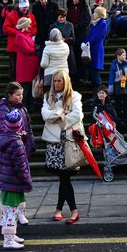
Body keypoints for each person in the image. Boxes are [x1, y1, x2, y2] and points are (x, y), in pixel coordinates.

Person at [41, 70, 83, 223]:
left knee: (64, 177)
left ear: (66, 82)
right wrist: (61, 112)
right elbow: (45, 115)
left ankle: (72, 211)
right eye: (55, 81)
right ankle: (62, 210)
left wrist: (58, 119)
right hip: (53, 142)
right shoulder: (48, 96)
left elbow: (77, 115)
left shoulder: (75, 96)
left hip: (68, 141)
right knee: (62, 177)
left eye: (60, 81)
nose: (57, 83)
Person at [0, 108, 34, 250]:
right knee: (12, 211)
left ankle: (12, 235)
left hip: (6, 179)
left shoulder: (5, 139)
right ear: (19, 126)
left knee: (9, 209)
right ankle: (8, 240)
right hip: (14, 181)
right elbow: (21, 166)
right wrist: (27, 180)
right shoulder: (16, 144)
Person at [3, 0, 37, 80]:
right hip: (13, 47)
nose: (25, 9)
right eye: (23, 7)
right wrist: (19, 33)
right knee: (14, 69)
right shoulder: (11, 15)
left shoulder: (31, 16)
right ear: (19, 6)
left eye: (27, 7)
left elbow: (35, 27)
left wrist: (30, 33)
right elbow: (5, 28)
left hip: (26, 45)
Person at [107, 48, 127, 128]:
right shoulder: (113, 65)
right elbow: (111, 77)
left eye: (125, 55)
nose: (125, 56)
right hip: (117, 87)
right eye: (123, 55)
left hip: (126, 86)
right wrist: (110, 87)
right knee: (118, 104)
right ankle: (119, 118)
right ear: (118, 56)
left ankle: (126, 117)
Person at [13, 17, 39, 108]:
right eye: (28, 24)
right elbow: (26, 50)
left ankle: (30, 107)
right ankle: (24, 108)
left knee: (30, 90)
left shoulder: (27, 35)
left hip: (30, 66)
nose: (30, 25)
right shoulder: (19, 36)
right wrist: (35, 49)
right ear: (24, 25)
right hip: (24, 67)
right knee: (25, 90)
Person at [86, 6, 109, 89]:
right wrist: (84, 42)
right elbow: (89, 36)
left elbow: (97, 37)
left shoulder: (102, 24)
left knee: (96, 74)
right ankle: (95, 94)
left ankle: (99, 93)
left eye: (95, 12)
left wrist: (87, 43)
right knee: (92, 74)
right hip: (91, 49)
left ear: (99, 14)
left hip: (97, 50)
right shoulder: (94, 24)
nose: (93, 14)